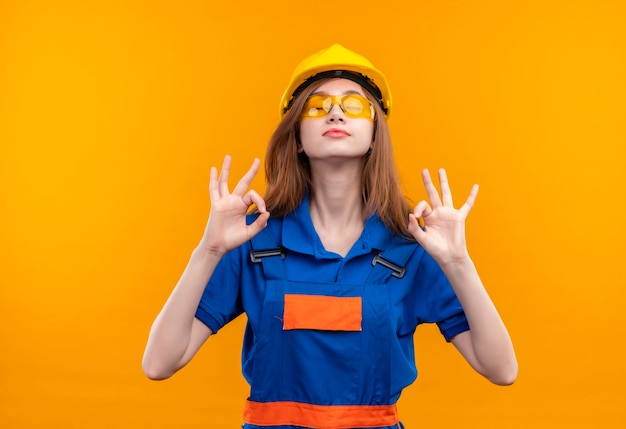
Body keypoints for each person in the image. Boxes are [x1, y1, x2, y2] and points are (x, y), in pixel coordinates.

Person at [142, 43, 518, 429]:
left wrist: (458, 263)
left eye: (354, 105)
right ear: (299, 138)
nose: (335, 112)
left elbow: (501, 369)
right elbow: (158, 363)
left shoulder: (411, 245)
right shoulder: (254, 240)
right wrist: (209, 250)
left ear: (375, 135)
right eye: (316, 106)